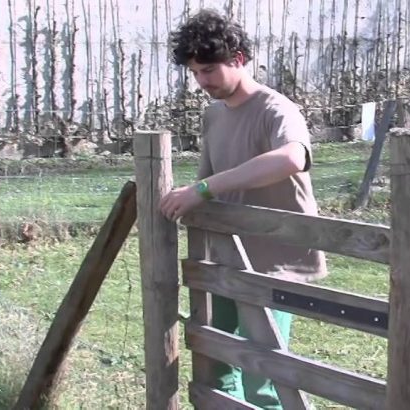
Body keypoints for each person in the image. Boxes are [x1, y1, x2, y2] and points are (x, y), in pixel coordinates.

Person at [159, 9, 327, 409]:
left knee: (263, 376)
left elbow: (292, 158)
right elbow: (206, 179)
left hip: (273, 261)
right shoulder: (214, 114)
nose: (202, 81)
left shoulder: (276, 109)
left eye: (209, 70)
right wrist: (193, 195)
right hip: (224, 257)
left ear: (238, 58)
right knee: (216, 363)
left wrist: (204, 188)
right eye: (195, 73)